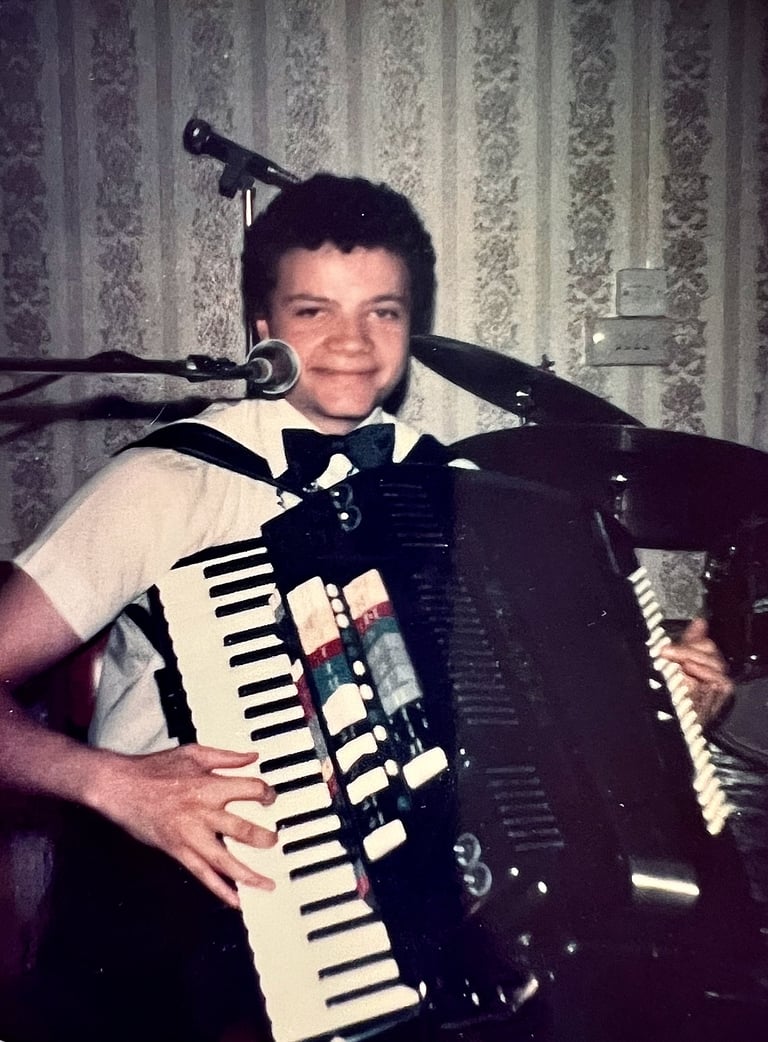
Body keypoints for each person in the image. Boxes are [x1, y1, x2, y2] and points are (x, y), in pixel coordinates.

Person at [0, 173, 733, 1041]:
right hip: (174, 893)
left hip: (395, 895)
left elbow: (543, 734)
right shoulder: (166, 485)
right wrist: (113, 784)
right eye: (314, 311)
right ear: (264, 331)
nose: (351, 342)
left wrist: (667, 711)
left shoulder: (461, 493)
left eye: (382, 312)